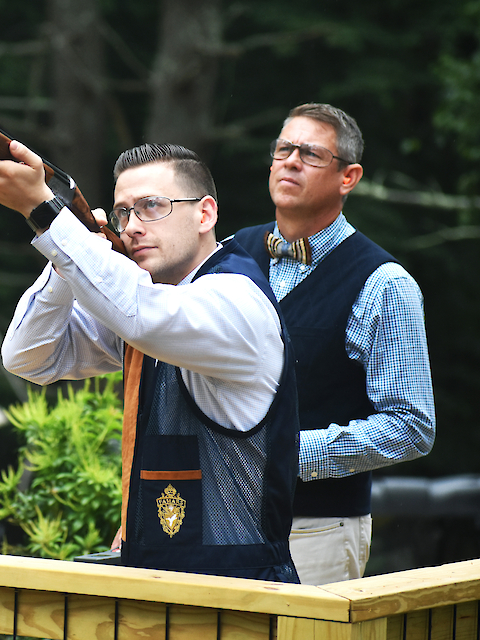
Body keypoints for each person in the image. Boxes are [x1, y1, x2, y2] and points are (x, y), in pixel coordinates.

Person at [0, 140, 300, 582]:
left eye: (151, 206)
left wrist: (49, 216)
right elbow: (29, 356)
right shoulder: (155, 306)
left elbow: (141, 315)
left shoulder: (236, 300)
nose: (131, 227)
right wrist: (70, 251)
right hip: (161, 586)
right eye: (122, 213)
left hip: (240, 592)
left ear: (205, 214)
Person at [235, 102, 436, 585]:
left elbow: (413, 425)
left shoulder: (385, 284)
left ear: (349, 178)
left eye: (311, 153)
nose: (291, 161)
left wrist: (287, 455)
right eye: (284, 148)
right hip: (220, 525)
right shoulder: (234, 252)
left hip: (317, 532)